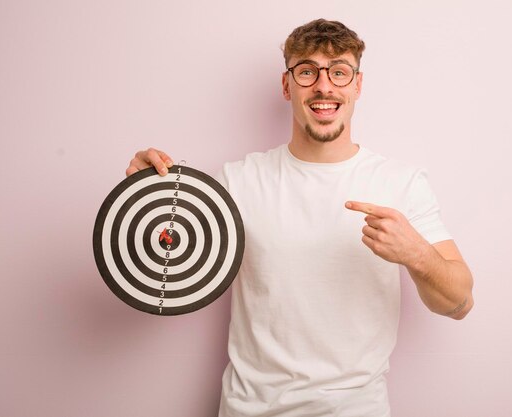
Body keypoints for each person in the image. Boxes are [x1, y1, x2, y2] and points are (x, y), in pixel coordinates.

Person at [126, 18, 473, 417]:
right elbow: (162, 268)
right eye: (307, 71)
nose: (324, 86)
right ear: (287, 85)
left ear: (357, 85)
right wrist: (144, 195)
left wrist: (418, 255)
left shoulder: (401, 183)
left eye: (339, 72)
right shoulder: (238, 182)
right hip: (248, 409)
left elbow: (459, 303)